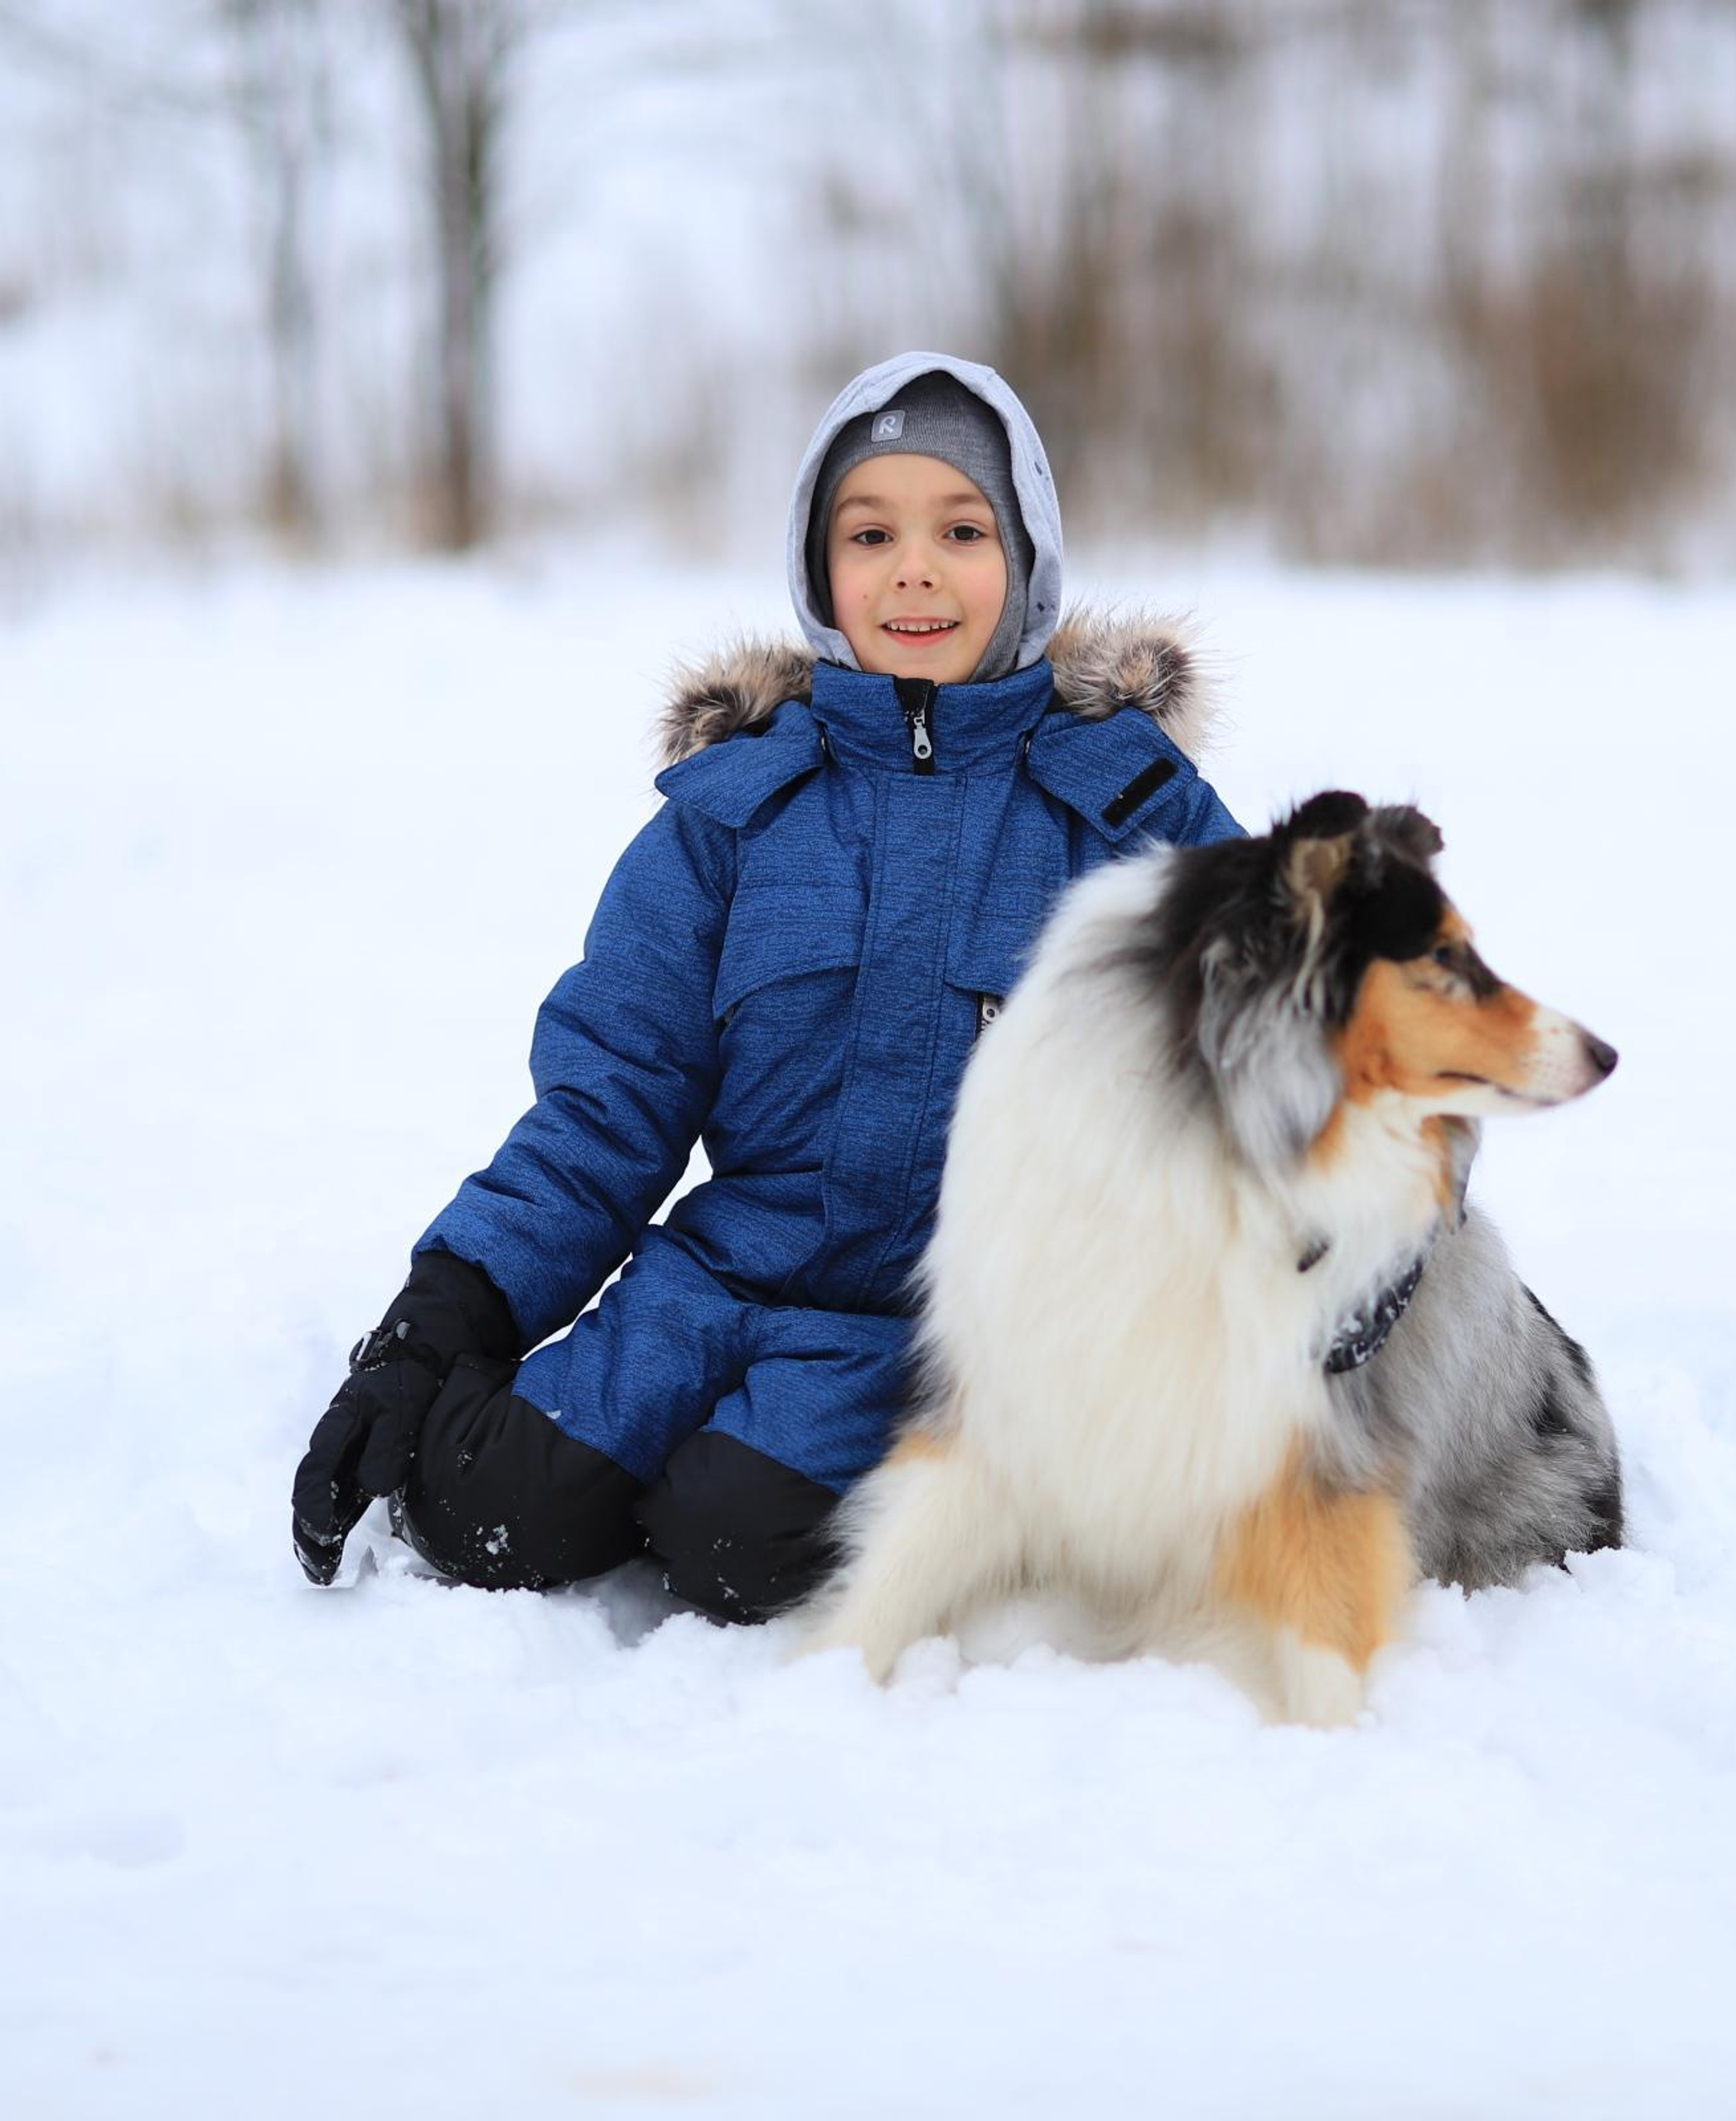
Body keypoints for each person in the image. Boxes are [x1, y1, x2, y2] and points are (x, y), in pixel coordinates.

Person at [290, 351, 1247, 1618]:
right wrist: (434, 1326)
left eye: (961, 528)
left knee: (734, 1536)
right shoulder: (734, 815)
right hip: (721, 1281)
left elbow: (1296, 1044)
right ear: (819, 568)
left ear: (1027, 560)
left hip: (945, 1322)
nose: (915, 567)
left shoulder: (1125, 812)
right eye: (871, 532)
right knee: (488, 1508)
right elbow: (607, 1104)